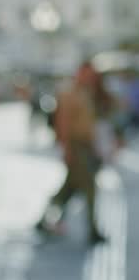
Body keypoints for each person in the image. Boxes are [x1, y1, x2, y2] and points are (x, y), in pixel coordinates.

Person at [36, 61, 114, 244]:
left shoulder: (86, 92)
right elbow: (62, 123)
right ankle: (93, 231)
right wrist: (66, 149)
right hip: (76, 147)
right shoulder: (69, 92)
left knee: (67, 191)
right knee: (89, 188)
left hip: (86, 147)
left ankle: (41, 221)